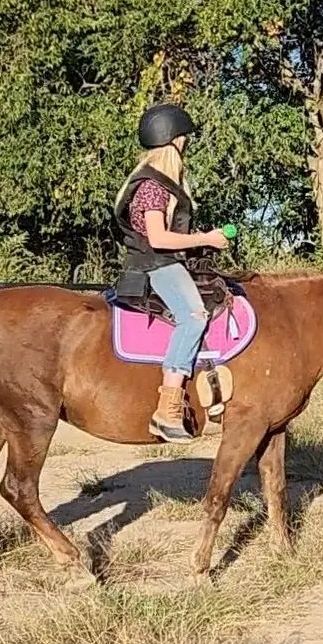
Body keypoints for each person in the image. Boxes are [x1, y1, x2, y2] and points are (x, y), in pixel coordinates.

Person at [113, 104, 229, 444]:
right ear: (176, 142)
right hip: (155, 266)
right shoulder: (153, 186)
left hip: (162, 262)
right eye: (185, 141)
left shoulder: (156, 182)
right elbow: (159, 238)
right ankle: (167, 410)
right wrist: (205, 238)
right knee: (194, 316)